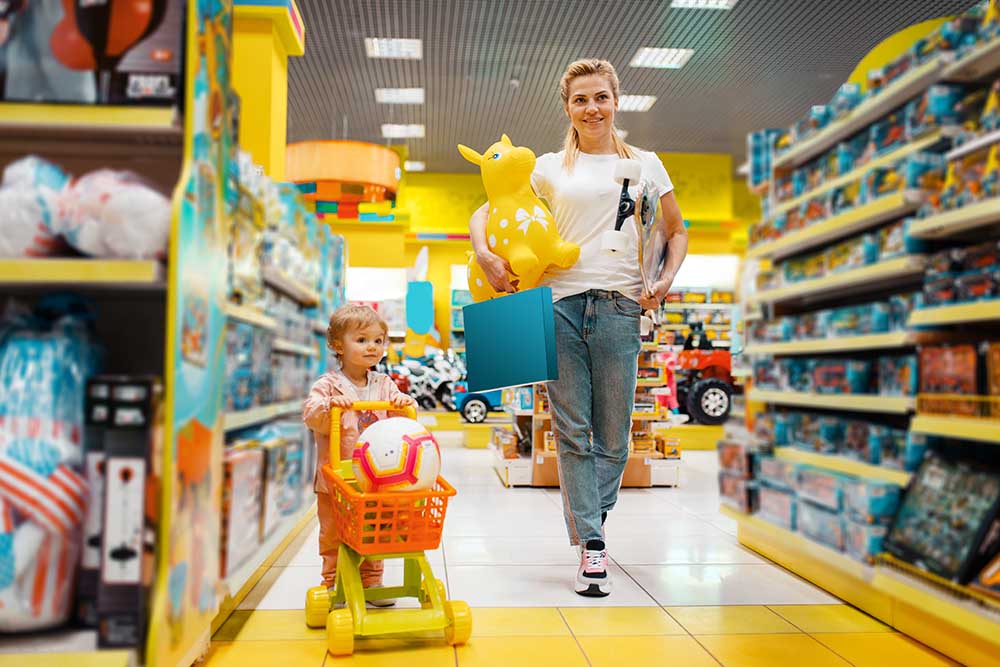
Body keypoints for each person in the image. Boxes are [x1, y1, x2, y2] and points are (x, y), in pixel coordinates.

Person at [468, 59, 688, 597]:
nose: (591, 109)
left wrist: (663, 281)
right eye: (580, 100)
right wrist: (484, 252)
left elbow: (677, 232)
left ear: (616, 100)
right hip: (558, 304)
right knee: (572, 431)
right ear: (567, 108)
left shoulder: (647, 165)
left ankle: (593, 517)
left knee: (613, 437)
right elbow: (488, 209)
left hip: (620, 306)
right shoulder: (546, 167)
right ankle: (592, 544)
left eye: (600, 98)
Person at [302, 304, 416, 605]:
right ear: (338, 345)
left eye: (378, 341)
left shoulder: (383, 384)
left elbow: (398, 421)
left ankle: (372, 581)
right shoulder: (327, 385)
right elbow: (312, 416)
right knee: (333, 533)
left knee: (375, 529)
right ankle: (332, 582)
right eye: (362, 340)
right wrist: (330, 406)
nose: (372, 347)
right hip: (335, 479)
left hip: (376, 478)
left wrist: (401, 402)